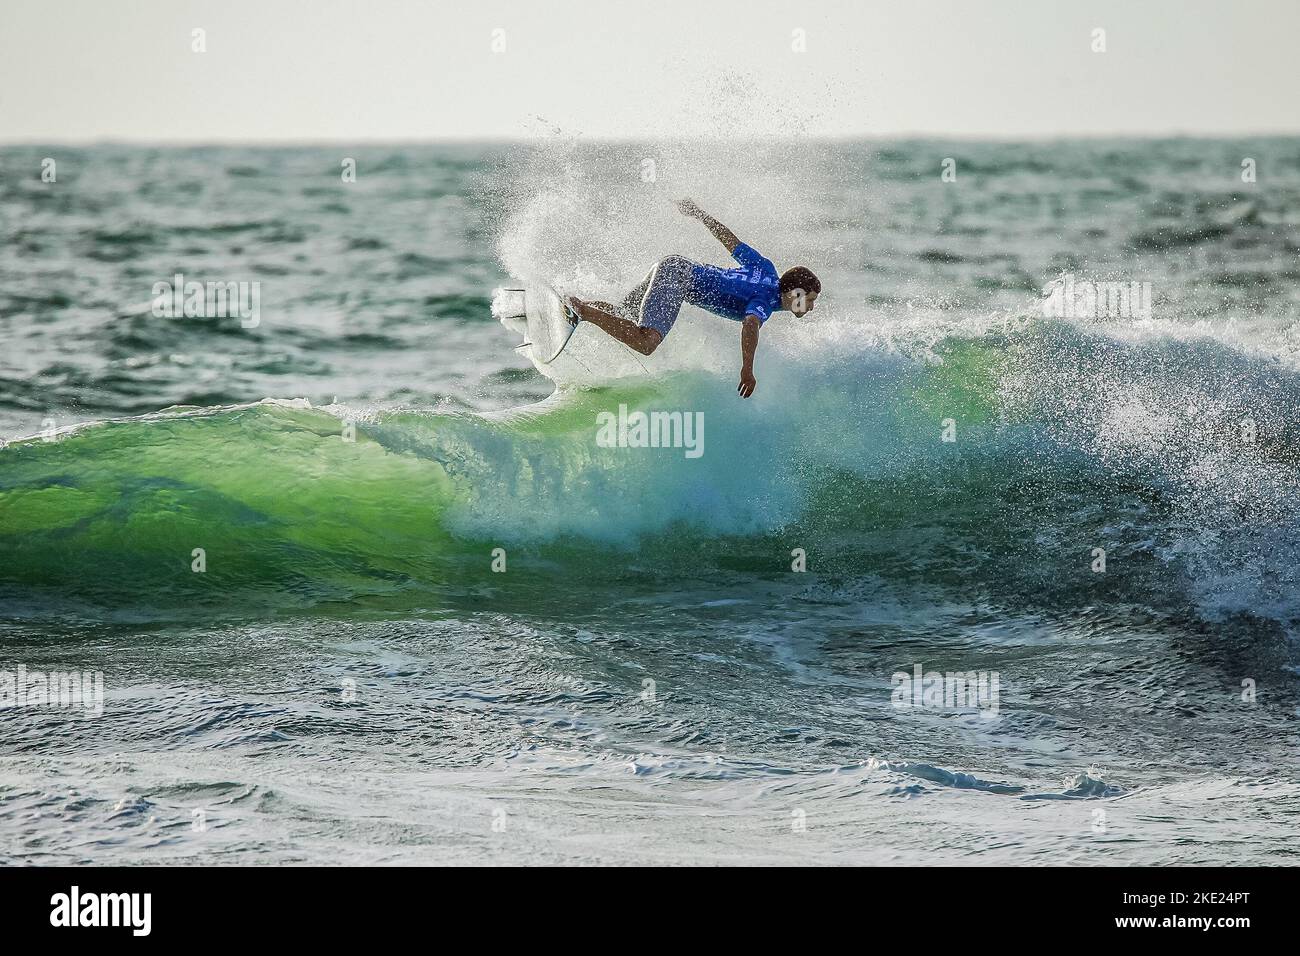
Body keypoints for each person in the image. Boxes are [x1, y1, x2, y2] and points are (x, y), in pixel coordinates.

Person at [565, 199, 821, 398]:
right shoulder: (765, 301)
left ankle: (576, 303)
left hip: (675, 264)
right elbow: (751, 324)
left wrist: (699, 213)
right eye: (809, 300)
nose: (811, 307)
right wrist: (747, 369)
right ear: (794, 293)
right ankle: (582, 311)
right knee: (647, 342)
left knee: (625, 314)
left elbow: (730, 240)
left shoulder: (765, 268)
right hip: (678, 278)